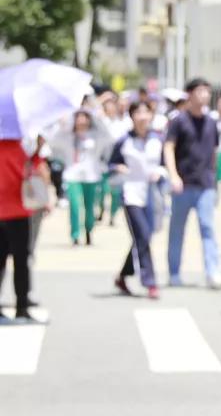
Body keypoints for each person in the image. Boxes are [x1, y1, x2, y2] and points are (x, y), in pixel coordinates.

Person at [164, 78, 221, 289]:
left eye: (207, 92)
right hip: (183, 184)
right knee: (177, 230)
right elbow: (169, 147)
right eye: (200, 91)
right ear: (189, 94)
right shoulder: (179, 121)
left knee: (208, 229)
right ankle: (174, 273)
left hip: (205, 184)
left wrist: (216, 176)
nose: (204, 96)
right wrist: (173, 175)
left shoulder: (211, 122)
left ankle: (212, 271)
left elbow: (215, 152)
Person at [109, 102, 166, 299]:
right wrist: (118, 168)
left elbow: (164, 164)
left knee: (143, 237)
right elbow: (111, 163)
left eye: (146, 112)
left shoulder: (157, 140)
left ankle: (123, 275)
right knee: (141, 234)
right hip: (130, 193)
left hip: (151, 195)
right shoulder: (124, 141)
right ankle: (150, 281)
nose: (142, 116)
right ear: (131, 116)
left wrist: (160, 173)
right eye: (137, 112)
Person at [47, 109, 113, 246]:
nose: (81, 120)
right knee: (75, 206)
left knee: (90, 206)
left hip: (91, 176)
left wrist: (99, 118)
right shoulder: (67, 136)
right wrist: (61, 124)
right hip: (72, 175)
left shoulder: (95, 136)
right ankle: (75, 234)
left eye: (85, 117)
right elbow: (52, 141)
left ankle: (89, 230)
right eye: (79, 117)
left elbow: (109, 137)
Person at [0, 136, 44, 323]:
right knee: (21, 261)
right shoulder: (15, 148)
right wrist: (37, 153)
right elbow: (27, 174)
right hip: (17, 211)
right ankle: (21, 307)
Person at [99, 92, 130, 226]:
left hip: (118, 161)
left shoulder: (127, 122)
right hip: (102, 160)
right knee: (102, 190)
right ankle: (100, 210)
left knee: (116, 191)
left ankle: (112, 215)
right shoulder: (102, 121)